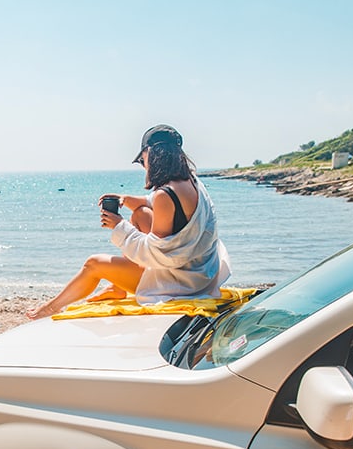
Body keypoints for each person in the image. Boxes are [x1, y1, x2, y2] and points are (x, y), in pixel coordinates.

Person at [26, 124, 229, 320]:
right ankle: (117, 288)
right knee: (140, 213)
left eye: (142, 160)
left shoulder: (164, 195)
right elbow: (165, 207)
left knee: (93, 264)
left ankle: (51, 307)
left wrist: (119, 226)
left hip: (181, 285)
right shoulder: (192, 182)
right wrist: (127, 199)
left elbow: (158, 255)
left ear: (153, 155)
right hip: (200, 274)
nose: (144, 165)